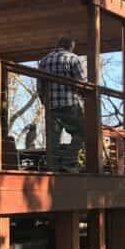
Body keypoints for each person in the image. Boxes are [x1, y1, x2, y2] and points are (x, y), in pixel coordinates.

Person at [37, 37, 87, 171]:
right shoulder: (72, 58)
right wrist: (85, 98)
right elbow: (81, 82)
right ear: (70, 47)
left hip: (51, 105)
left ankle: (54, 167)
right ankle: (69, 161)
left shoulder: (44, 60)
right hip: (69, 103)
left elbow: (40, 87)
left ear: (58, 45)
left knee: (53, 139)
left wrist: (45, 103)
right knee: (84, 132)